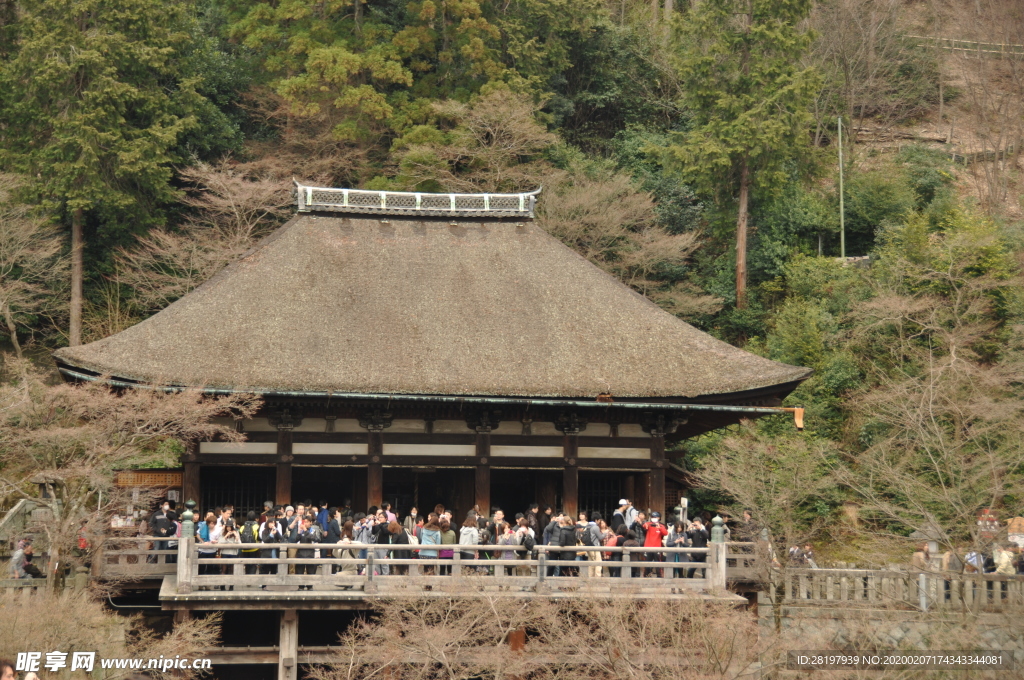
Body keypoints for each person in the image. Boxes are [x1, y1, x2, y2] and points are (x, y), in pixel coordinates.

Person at [294, 517, 321, 588]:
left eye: (307, 522)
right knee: (299, 571)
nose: (305, 523)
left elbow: (316, 539)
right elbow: (295, 540)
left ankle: (310, 586)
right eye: (304, 522)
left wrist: (305, 530)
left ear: (310, 523)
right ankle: (301, 586)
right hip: (300, 553)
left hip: (310, 554)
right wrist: (299, 532)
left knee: (311, 571)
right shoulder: (301, 530)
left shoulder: (314, 530)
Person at [642, 512, 669, 577]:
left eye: (656, 517)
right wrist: (644, 524)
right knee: (647, 563)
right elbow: (644, 526)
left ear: (659, 518)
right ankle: (646, 576)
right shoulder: (648, 524)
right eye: (653, 517)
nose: (654, 519)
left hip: (657, 547)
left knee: (658, 564)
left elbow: (665, 533)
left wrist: (659, 527)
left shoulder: (662, 526)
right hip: (648, 547)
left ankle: (659, 577)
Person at [218, 519, 240, 590]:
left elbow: (239, 544)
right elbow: (220, 543)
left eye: (230, 527)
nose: (228, 528)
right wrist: (226, 536)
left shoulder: (236, 532)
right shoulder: (222, 532)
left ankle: (231, 585)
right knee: (224, 569)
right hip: (225, 552)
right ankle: (222, 585)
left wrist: (236, 536)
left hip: (233, 553)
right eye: (227, 526)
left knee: (231, 570)